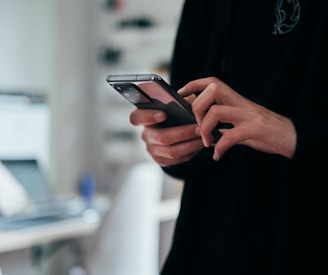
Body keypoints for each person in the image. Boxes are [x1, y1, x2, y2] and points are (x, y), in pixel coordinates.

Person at [130, 1, 328, 274]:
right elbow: (195, 150)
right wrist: (169, 145)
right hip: (204, 247)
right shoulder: (204, 8)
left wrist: (289, 133)